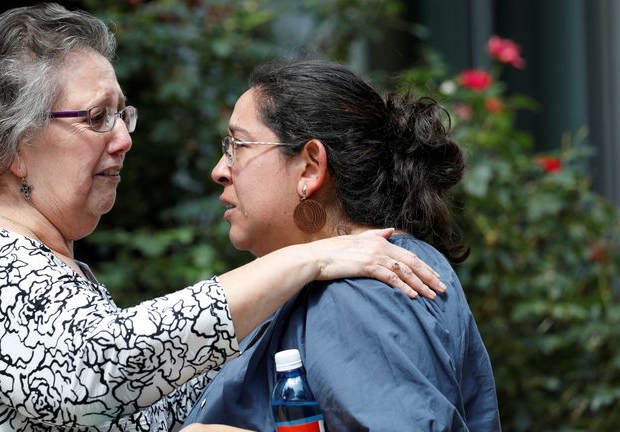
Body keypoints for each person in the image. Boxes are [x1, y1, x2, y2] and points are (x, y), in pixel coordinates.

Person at [0, 5, 446, 432]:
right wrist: (311, 254)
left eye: (123, 114)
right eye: (96, 117)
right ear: (12, 146)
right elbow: (100, 375)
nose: (125, 138)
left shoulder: (59, 280)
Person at [176, 60, 502, 431]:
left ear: (311, 167)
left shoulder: (361, 291)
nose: (220, 169)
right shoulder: (332, 284)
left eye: (238, 145)